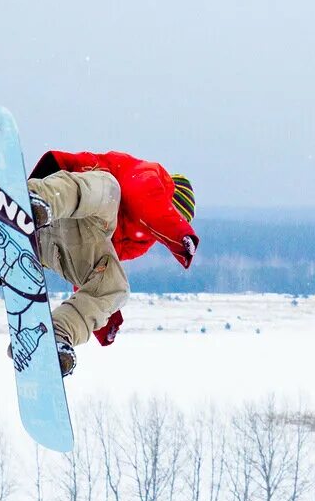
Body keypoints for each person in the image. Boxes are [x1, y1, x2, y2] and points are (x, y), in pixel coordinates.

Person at [24, 150, 199, 376]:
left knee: (117, 287)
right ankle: (37, 201)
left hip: (52, 246)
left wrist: (107, 319)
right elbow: (145, 197)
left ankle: (53, 337)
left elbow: (95, 269)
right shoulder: (150, 176)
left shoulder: (140, 243)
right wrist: (179, 232)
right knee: (109, 188)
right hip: (64, 205)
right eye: (173, 213)